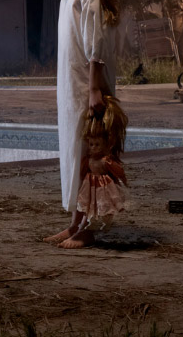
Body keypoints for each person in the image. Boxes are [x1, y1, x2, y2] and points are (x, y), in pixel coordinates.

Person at [43, 0, 120, 248]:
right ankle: (76, 222)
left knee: (91, 158)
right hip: (70, 87)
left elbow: (95, 45)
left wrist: (94, 90)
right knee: (75, 154)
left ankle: (89, 226)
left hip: (86, 85)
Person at [60, 95, 130, 249]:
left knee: (98, 206)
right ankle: (76, 225)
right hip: (89, 184)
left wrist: (94, 89)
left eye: (96, 144)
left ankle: (86, 229)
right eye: (91, 144)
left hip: (102, 186)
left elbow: (117, 171)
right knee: (88, 204)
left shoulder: (105, 160)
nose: (93, 148)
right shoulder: (89, 159)